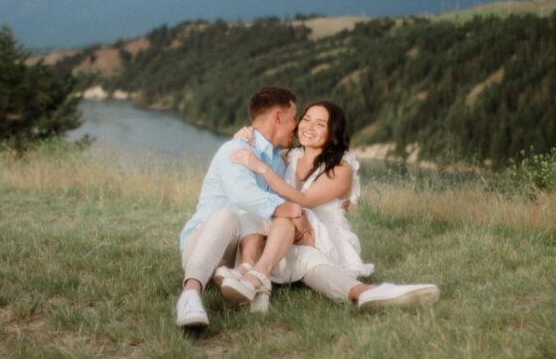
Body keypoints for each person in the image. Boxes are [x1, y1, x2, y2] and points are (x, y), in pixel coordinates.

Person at [224, 100, 440, 311]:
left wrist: (262, 168)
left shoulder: (341, 166)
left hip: (323, 237)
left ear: (333, 132)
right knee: (267, 224)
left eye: (320, 124)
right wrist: (244, 138)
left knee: (289, 218)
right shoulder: (288, 156)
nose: (309, 127)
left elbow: (305, 200)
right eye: (306, 120)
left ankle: (255, 276)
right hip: (290, 234)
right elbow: (255, 156)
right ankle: (364, 292)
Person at [176, 86, 314, 328]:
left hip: (243, 252)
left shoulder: (277, 161)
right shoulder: (236, 149)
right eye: (293, 118)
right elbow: (243, 195)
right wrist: (288, 208)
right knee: (229, 215)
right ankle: (190, 295)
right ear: (278, 117)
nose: (295, 125)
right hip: (206, 244)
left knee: (264, 228)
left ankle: (252, 282)